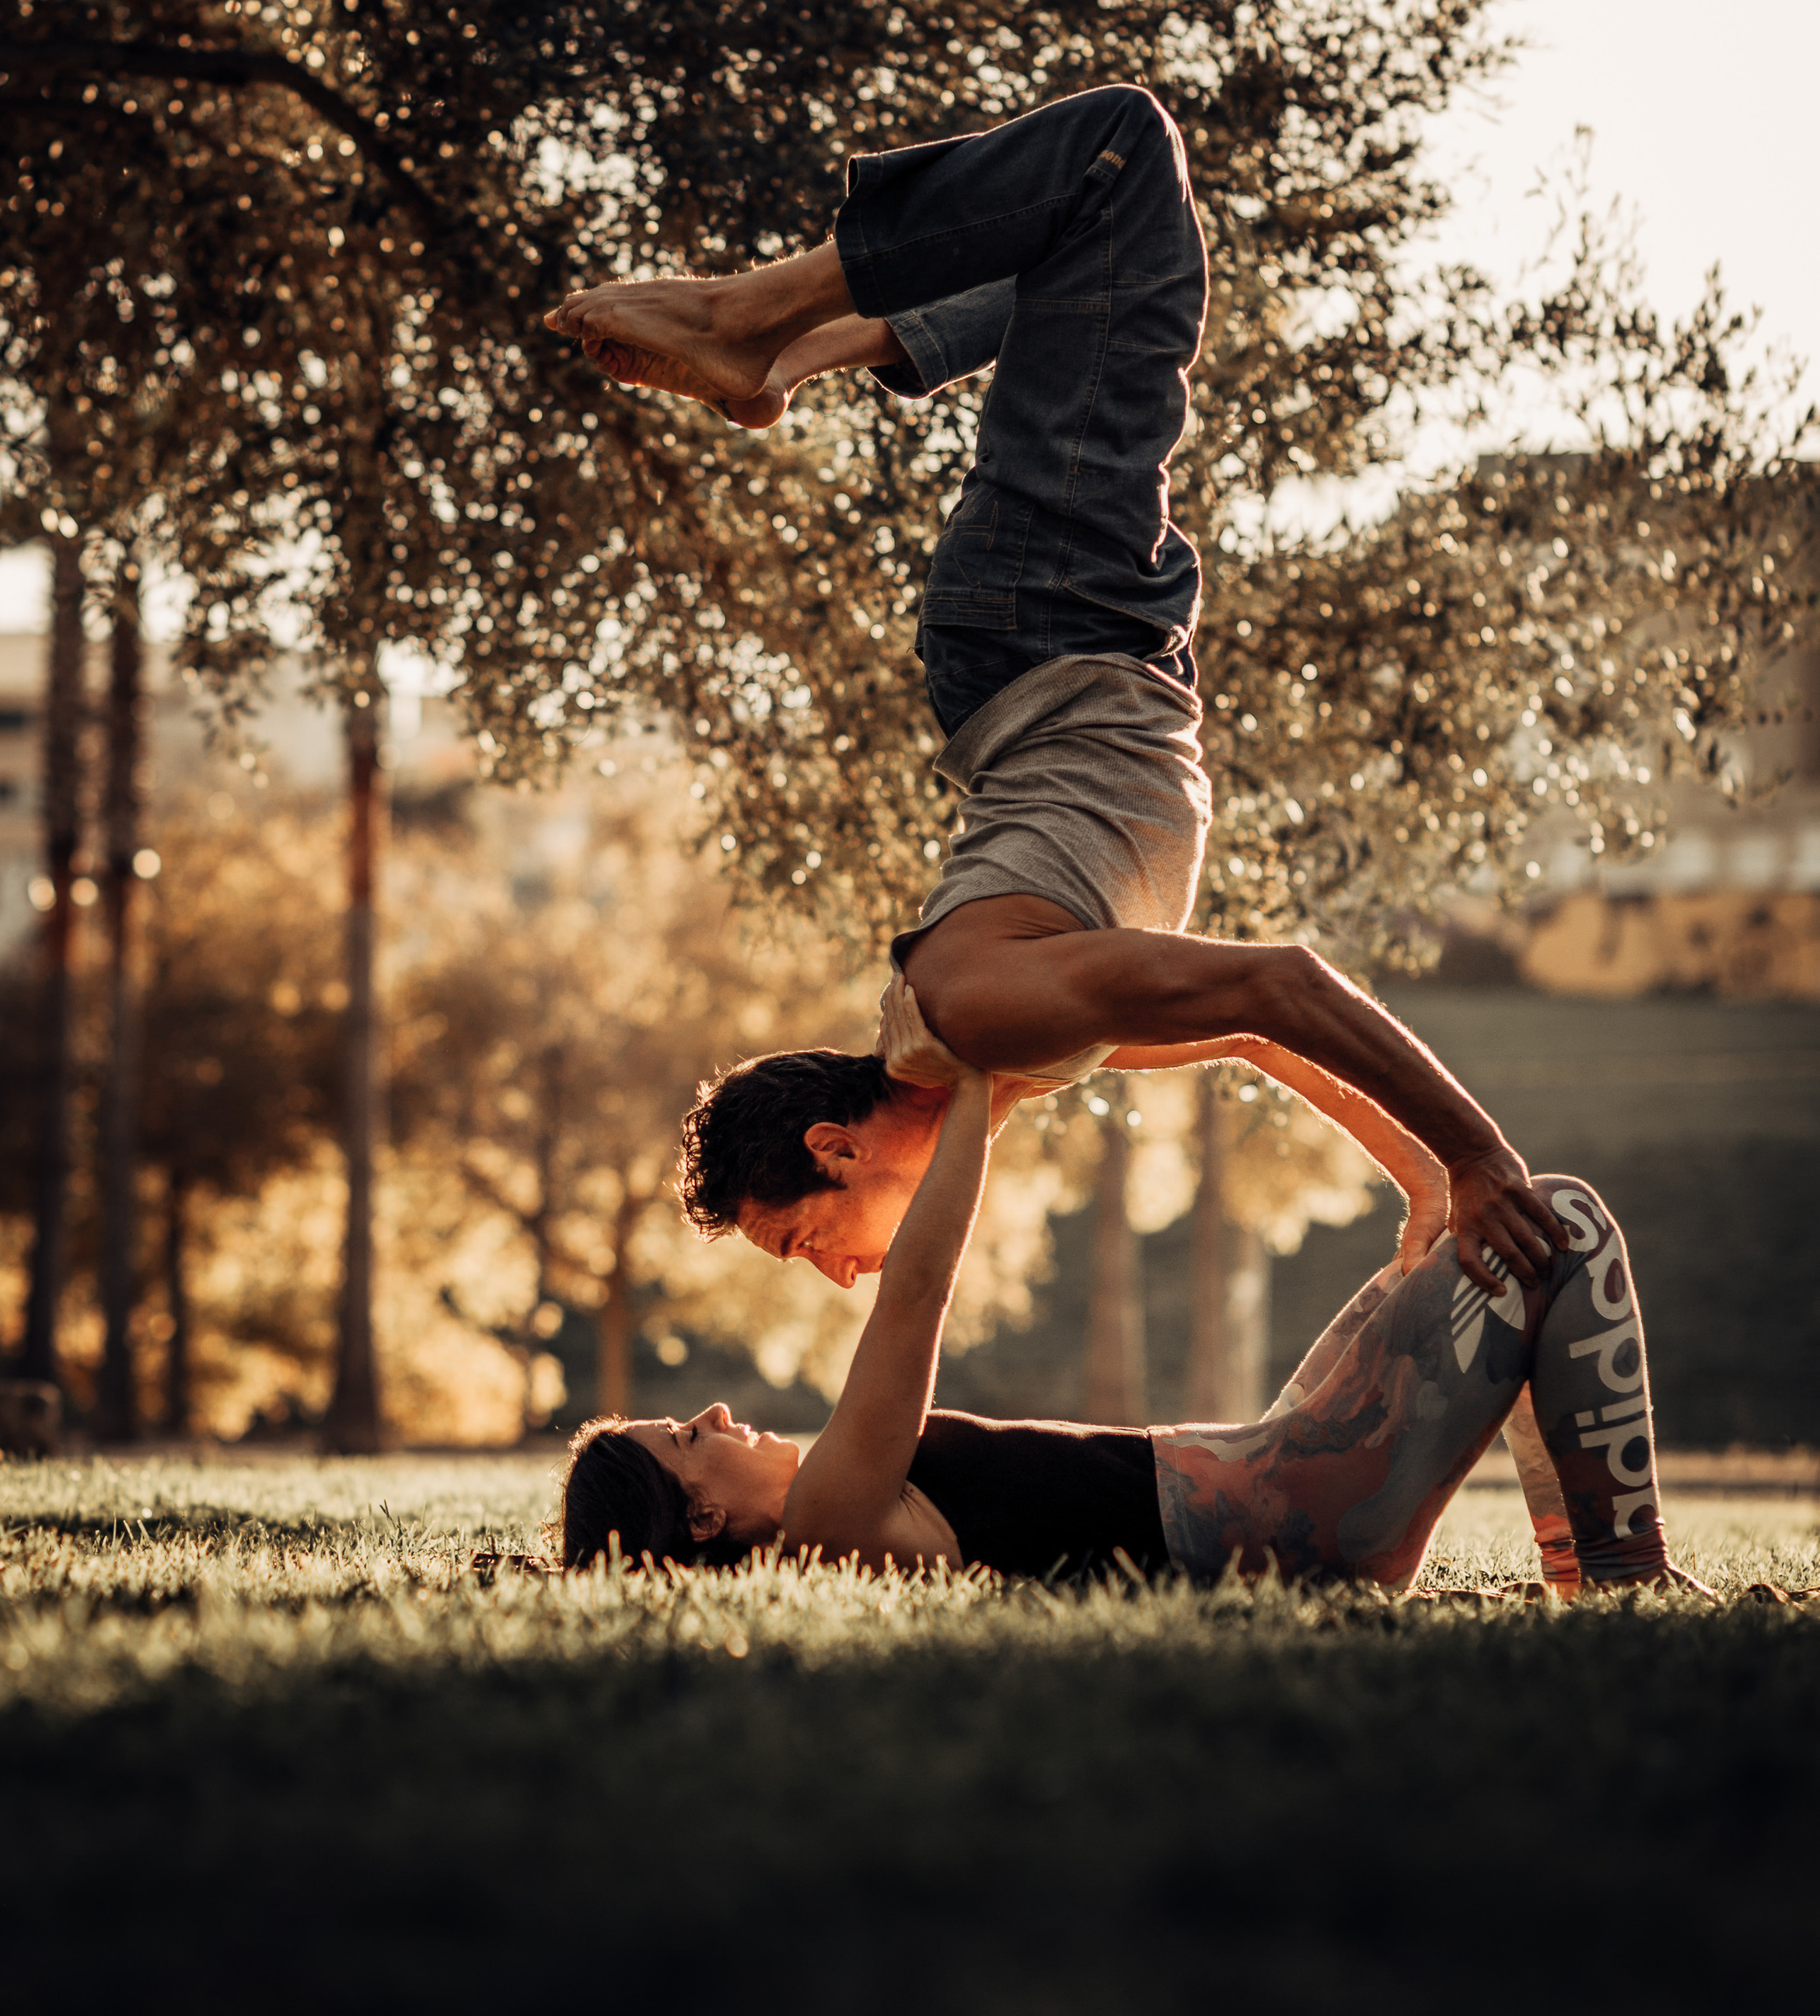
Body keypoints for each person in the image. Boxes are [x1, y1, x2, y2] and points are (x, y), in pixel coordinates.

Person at [549, 82, 1560, 1307]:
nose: (833, 1277)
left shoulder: (984, 1011)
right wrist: (1420, 1180)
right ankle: (803, 353)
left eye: (798, 1240)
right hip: (1053, 638)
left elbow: (1278, 979)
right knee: (1095, 262)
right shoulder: (1003, 1050)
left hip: (1051, 621)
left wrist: (1481, 1155)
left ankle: (752, 316)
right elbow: (1254, 1032)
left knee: (1117, 155)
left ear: (837, 1148)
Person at [561, 987, 1699, 1597]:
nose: (709, 1415)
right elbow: (914, 1301)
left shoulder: (836, 1509)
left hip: (1277, 1471)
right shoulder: (825, 1521)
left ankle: (1590, 1572)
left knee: (1483, 1254)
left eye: (804, 1237)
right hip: (1292, 1516)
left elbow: (1249, 1022)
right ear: (700, 1519)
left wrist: (1415, 1169)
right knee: (1558, 1225)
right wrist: (967, 1084)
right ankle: (1618, 1581)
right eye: (683, 1442)